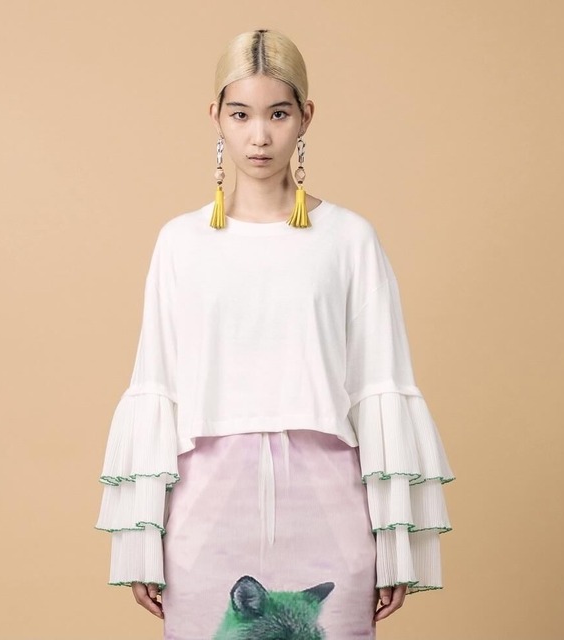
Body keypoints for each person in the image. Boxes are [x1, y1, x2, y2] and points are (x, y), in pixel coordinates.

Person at [95, 29, 454, 640]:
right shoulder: (180, 243)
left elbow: (379, 383)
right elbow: (157, 384)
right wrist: (140, 541)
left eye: (278, 114)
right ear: (215, 116)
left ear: (306, 116)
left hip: (330, 500)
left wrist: (396, 545)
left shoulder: (349, 239)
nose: (259, 135)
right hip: (205, 504)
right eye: (241, 114)